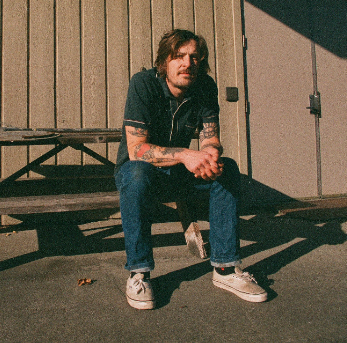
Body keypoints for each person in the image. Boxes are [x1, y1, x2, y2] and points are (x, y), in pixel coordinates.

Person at [114, 29, 267, 309]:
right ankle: (139, 273)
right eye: (179, 56)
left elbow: (210, 137)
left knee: (227, 169)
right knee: (136, 174)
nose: (188, 63)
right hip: (142, 173)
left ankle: (225, 269)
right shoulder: (144, 84)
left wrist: (210, 155)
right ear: (164, 62)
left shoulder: (204, 86)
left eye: (194, 57)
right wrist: (186, 155)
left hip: (178, 174)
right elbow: (136, 149)